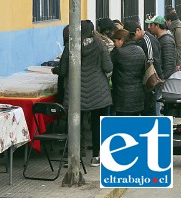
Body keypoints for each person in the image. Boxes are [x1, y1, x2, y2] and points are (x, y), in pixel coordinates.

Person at [60, 20, 112, 167]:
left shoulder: (70, 45)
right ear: (92, 31)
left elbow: (63, 70)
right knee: (97, 125)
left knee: (75, 124)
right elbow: (108, 66)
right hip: (98, 91)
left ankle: (74, 157)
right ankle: (96, 156)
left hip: (76, 92)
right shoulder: (99, 44)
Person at [124, 20, 163, 116]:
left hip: (150, 82)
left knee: (149, 111)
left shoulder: (148, 41)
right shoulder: (139, 41)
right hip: (143, 84)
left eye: (132, 35)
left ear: (138, 30)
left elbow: (152, 63)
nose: (131, 39)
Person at [110, 29, 146, 117]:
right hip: (138, 95)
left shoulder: (118, 52)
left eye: (115, 41)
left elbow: (108, 65)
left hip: (122, 95)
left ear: (121, 40)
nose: (114, 44)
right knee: (133, 123)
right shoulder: (140, 50)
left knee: (122, 125)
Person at [146, 15, 177, 115]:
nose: (149, 27)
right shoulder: (161, 39)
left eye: (151, 25)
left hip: (163, 79)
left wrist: (162, 78)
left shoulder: (166, 40)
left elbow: (168, 62)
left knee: (159, 103)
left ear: (157, 26)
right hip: (161, 78)